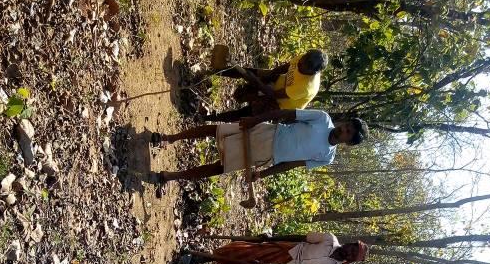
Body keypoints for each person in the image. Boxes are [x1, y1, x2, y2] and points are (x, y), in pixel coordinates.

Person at [148, 108, 369, 190]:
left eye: (348, 133)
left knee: (220, 167)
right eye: (346, 125)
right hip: (268, 132)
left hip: (267, 155)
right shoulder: (322, 119)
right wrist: (255, 119)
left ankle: (170, 176)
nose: (343, 129)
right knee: (217, 130)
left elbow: (292, 165)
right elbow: (286, 113)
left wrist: (262, 174)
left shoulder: (327, 157)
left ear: (349, 143)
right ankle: (169, 138)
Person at [202, 49, 329, 122]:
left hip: (280, 105)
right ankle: (211, 72)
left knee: (246, 113)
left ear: (313, 72)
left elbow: (273, 95)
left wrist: (256, 81)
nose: (299, 65)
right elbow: (286, 67)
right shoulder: (305, 58)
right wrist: (267, 75)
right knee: (249, 73)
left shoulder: (307, 87)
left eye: (303, 67)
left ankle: (208, 118)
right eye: (301, 62)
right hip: (280, 82)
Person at [186, 234, 369, 264]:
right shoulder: (329, 239)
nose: (349, 252)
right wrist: (272, 239)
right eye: (352, 249)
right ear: (350, 244)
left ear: (352, 260)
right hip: (285, 251)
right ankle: (201, 258)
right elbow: (301, 237)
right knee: (244, 252)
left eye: (353, 255)